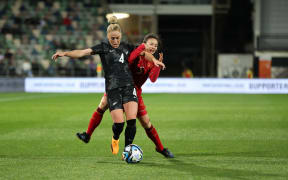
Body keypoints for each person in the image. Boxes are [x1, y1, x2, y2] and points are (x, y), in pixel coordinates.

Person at [52, 16, 165, 155]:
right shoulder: (103, 47)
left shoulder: (126, 46)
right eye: (112, 38)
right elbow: (82, 52)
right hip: (113, 89)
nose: (116, 41)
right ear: (108, 37)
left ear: (121, 36)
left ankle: (127, 151)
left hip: (129, 87)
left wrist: (154, 60)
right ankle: (114, 138)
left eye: (118, 38)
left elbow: (144, 53)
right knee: (118, 125)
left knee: (131, 122)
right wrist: (65, 53)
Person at [76, 33, 174, 158]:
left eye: (156, 45)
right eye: (151, 44)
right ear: (144, 44)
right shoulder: (137, 53)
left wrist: (157, 66)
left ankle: (160, 148)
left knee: (146, 123)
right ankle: (87, 135)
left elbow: (153, 79)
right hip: (118, 86)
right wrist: (141, 49)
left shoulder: (151, 61)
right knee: (102, 106)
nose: (154, 47)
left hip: (134, 92)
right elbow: (131, 59)